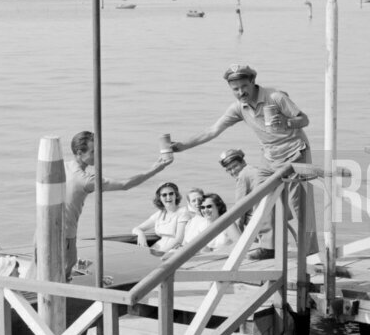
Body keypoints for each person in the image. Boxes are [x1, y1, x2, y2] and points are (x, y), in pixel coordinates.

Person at [169, 63, 318, 258]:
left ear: (253, 81)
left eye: (244, 87)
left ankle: (310, 251)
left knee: (298, 203)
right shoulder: (239, 108)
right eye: (235, 89)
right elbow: (212, 131)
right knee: (261, 196)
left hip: (295, 152)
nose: (241, 92)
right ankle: (269, 247)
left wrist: (287, 122)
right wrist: (182, 146)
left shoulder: (275, 97)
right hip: (270, 157)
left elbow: (304, 120)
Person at [63, 130, 173, 277]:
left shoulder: (62, 167)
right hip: (66, 237)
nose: (98, 155)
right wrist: (155, 169)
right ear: (79, 153)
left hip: (44, 232)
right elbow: (125, 184)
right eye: (93, 151)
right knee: (63, 276)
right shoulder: (85, 180)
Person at [131, 182, 188, 254]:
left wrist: (160, 252)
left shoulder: (183, 212)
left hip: (173, 251)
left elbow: (178, 239)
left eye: (171, 193)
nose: (168, 197)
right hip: (158, 248)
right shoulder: (159, 214)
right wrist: (141, 234)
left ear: (176, 195)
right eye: (164, 195)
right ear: (159, 198)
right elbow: (136, 229)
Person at [219, 148, 266, 231]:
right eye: (229, 169)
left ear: (243, 162)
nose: (233, 171)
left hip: (258, 221)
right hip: (268, 214)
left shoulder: (242, 176)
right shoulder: (255, 170)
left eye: (235, 166)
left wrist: (239, 231)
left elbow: (240, 207)